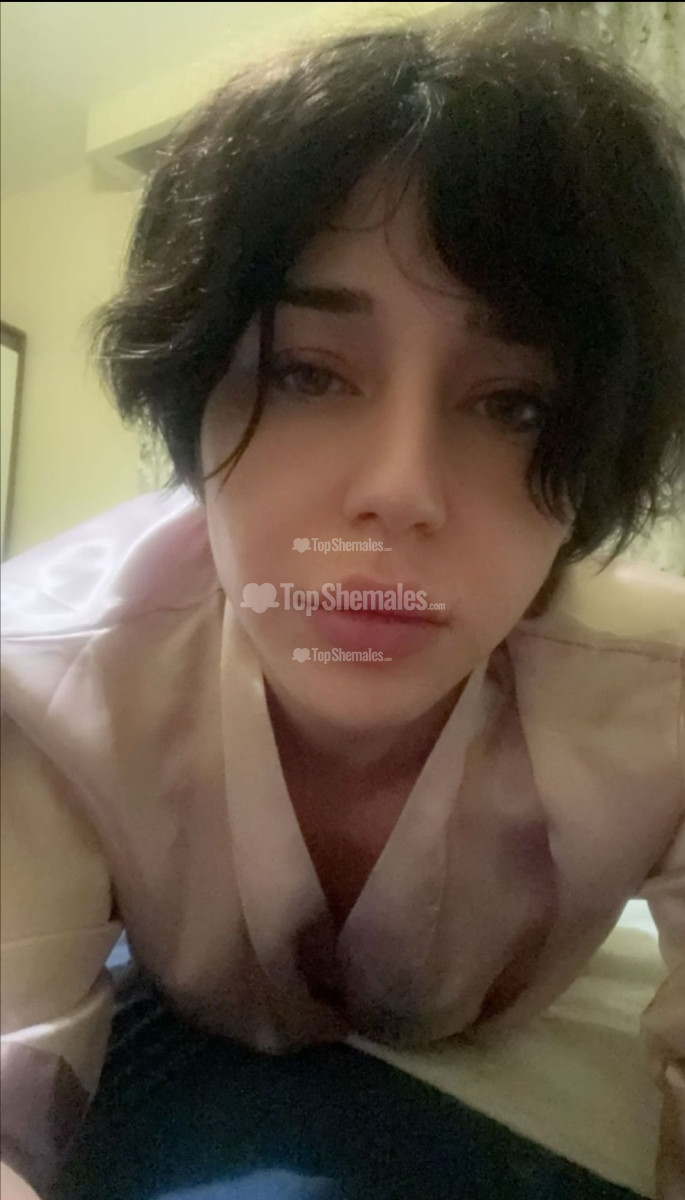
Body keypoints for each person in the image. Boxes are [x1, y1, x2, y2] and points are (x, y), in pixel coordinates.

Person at [2, 5, 684, 1198]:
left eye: (514, 403)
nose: (399, 492)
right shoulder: (44, 673)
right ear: (192, 407)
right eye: (305, 373)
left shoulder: (665, 699)